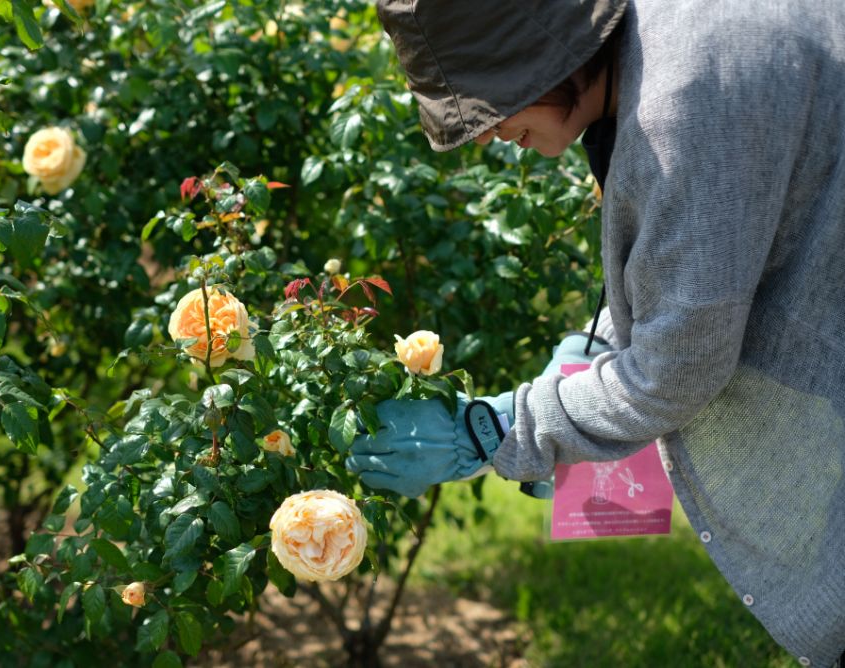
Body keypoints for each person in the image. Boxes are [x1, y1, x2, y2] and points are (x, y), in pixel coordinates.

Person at [344, 1, 845, 666]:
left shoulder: (683, 105)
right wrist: (612, 336)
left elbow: (678, 371)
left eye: (484, 102)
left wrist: (498, 428)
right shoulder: (662, 42)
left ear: (537, 56)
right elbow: (701, 253)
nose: (486, 134)